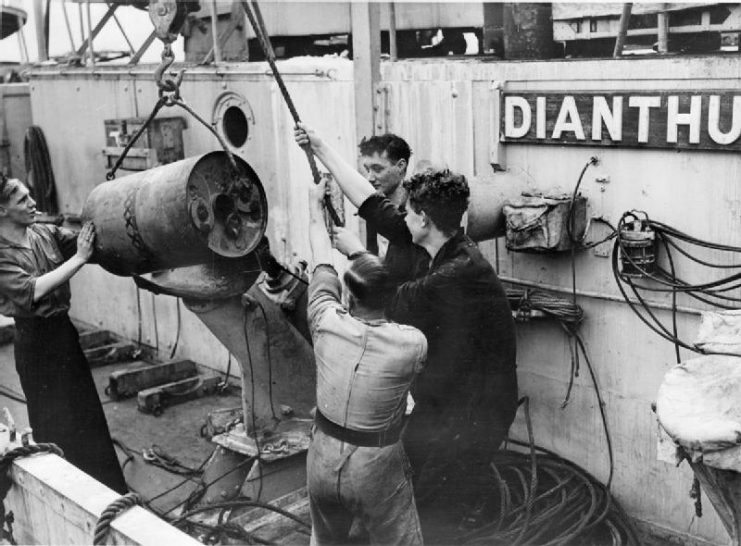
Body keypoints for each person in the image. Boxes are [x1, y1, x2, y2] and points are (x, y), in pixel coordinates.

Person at [295, 124, 518, 520]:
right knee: (409, 470)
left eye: (409, 211)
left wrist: (350, 252)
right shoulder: (443, 244)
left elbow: (390, 301)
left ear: (424, 220)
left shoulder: (459, 271)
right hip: (444, 394)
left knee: (437, 499)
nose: (401, 217)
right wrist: (320, 147)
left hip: (476, 408)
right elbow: (374, 206)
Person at [306, 177, 427, 545]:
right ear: (390, 298)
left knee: (326, 541)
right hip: (375, 465)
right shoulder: (411, 344)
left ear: (348, 296)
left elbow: (320, 260)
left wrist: (316, 206)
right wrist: (363, 256)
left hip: (322, 459)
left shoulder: (324, 320)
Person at [0, 176, 127, 494]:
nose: (32, 203)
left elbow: (93, 241)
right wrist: (79, 258)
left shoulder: (45, 233)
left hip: (63, 335)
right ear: (2, 210)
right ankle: (70, 495)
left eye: (30, 196)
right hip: (35, 343)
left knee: (87, 415)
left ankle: (109, 491)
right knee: (54, 422)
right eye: (22, 200)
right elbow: (33, 290)